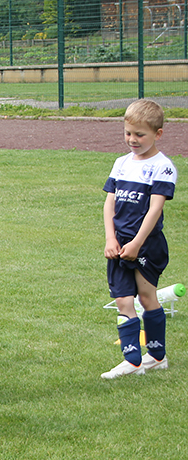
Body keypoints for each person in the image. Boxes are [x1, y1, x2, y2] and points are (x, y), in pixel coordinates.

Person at [101, 99, 177, 379]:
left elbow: (155, 209)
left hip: (146, 245)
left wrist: (136, 244)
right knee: (123, 300)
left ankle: (157, 356)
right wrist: (112, 238)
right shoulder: (121, 164)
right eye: (128, 133)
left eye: (140, 135)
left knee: (146, 297)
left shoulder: (163, 167)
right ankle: (132, 361)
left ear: (158, 134)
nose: (132, 140)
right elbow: (109, 204)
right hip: (119, 244)